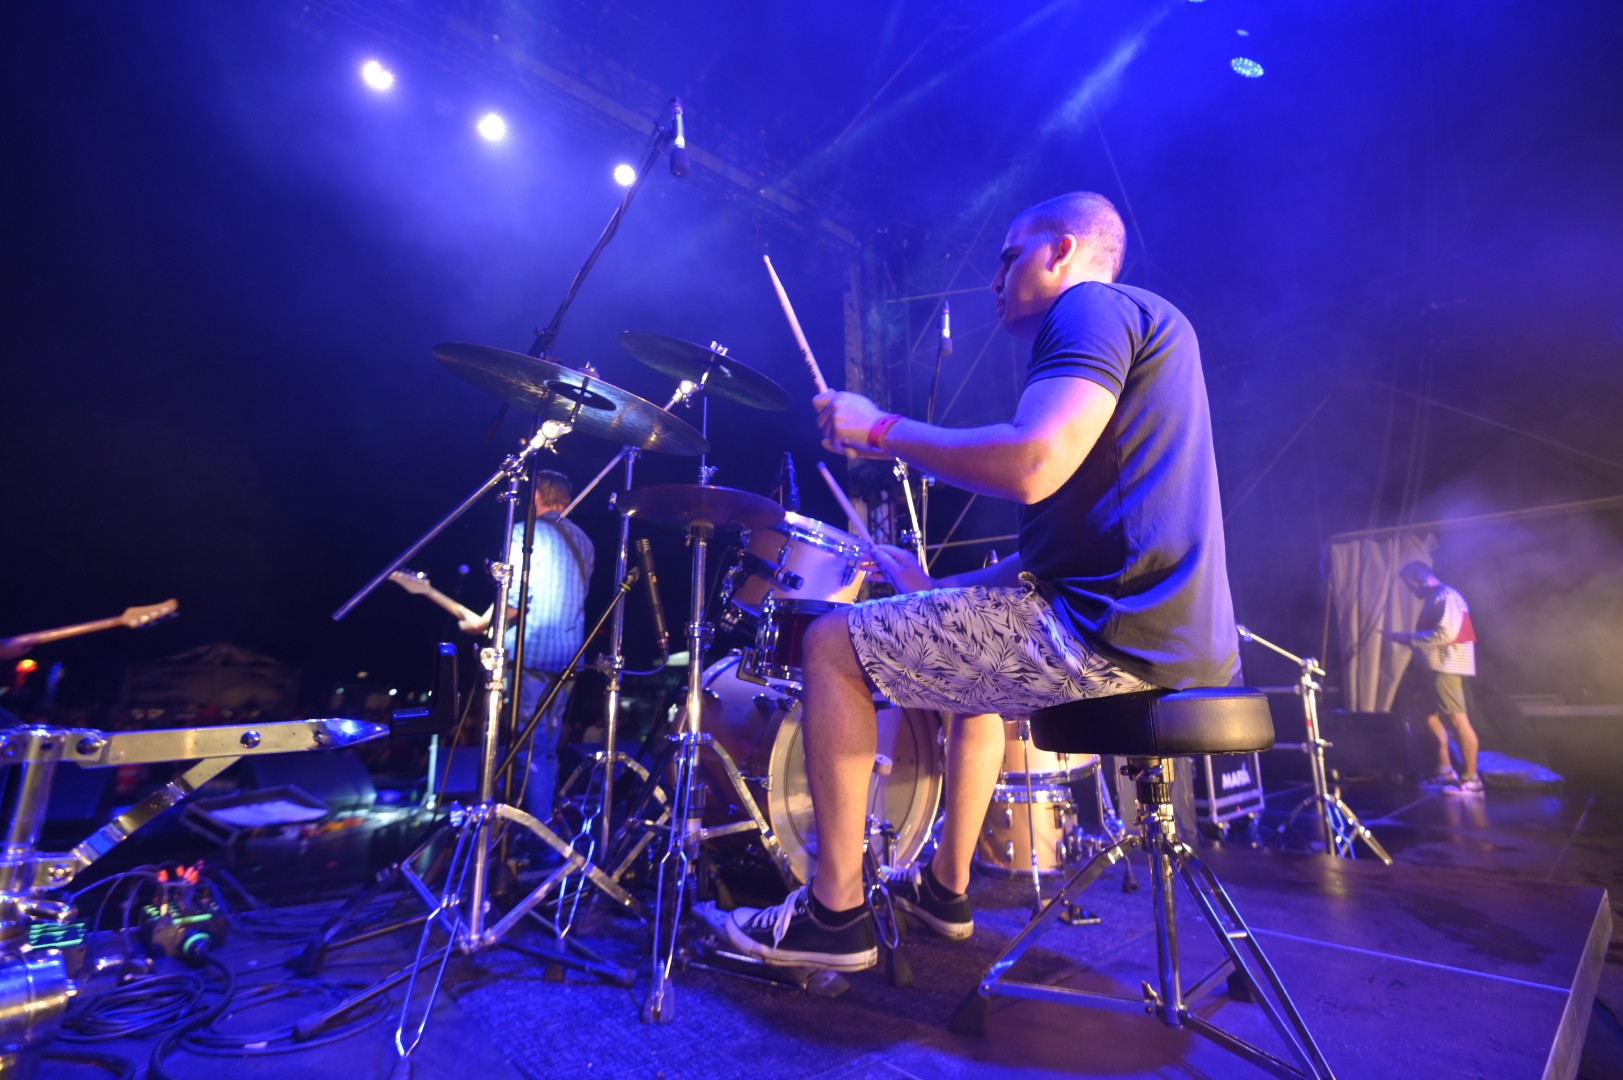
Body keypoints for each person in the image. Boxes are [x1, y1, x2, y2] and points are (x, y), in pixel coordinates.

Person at [724, 191, 1239, 971]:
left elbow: (1031, 462)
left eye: (1008, 257)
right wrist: (933, 587)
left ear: (1062, 251)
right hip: (1172, 642)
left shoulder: (1090, 307)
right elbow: (1047, 568)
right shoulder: (1148, 330)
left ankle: (832, 916)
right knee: (970, 683)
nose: (993, 281)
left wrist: (881, 430)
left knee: (829, 643)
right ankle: (945, 889)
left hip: (1110, 640)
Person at [460, 470, 595, 823]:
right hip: (568, 658)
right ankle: (543, 829)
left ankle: (531, 830)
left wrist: (486, 624)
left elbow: (516, 600)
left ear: (536, 494)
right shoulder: (584, 541)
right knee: (545, 748)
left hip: (531, 654)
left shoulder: (525, 532)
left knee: (526, 748)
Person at [1386, 562, 1482, 795]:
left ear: (1417, 578)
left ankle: (1472, 779)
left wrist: (1408, 637)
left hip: (1446, 668)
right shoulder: (1436, 598)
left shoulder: (1446, 596)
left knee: (1457, 719)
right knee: (1428, 716)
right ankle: (1445, 772)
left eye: (1409, 584)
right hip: (1434, 669)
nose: (1410, 590)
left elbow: (1447, 634)